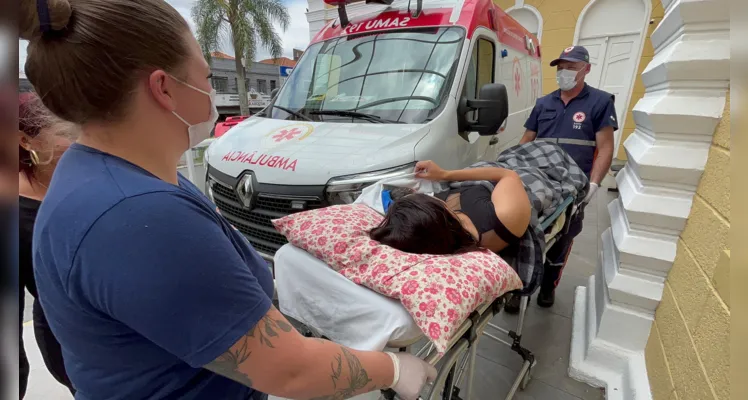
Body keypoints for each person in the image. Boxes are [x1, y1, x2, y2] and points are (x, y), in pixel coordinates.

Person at [21, 1, 435, 399]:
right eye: (204, 79)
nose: (210, 95)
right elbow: (290, 370)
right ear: (164, 88)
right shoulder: (137, 215)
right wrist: (393, 369)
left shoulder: (102, 173)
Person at [518, 45, 617, 309]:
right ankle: (518, 288)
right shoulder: (544, 103)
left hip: (573, 184)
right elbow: (527, 139)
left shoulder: (599, 102)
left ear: (586, 69)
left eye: (571, 67)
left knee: (563, 236)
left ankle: (548, 286)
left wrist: (594, 185)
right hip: (540, 182)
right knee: (523, 231)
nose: (564, 72)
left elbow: (606, 147)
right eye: (561, 67)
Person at [18, 92, 77, 398]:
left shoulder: (91, 180)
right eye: (67, 133)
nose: (80, 141)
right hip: (69, 343)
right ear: (26, 141)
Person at [371, 160, 532, 256]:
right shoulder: (503, 219)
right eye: (425, 198)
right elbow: (508, 175)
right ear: (439, 212)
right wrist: (444, 174)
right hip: (522, 165)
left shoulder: (435, 233)